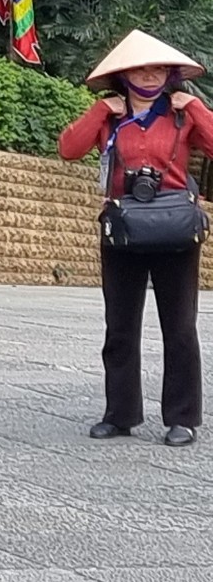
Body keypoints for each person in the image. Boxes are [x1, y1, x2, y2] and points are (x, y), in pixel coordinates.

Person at [59, 29, 213, 446]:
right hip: (123, 225)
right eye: (139, 68)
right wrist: (98, 113)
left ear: (171, 74)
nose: (148, 75)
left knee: (179, 326)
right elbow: (69, 149)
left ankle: (182, 418)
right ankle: (120, 413)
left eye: (157, 68)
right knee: (120, 324)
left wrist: (197, 107)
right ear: (123, 74)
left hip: (175, 227)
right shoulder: (109, 115)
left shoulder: (182, 115)